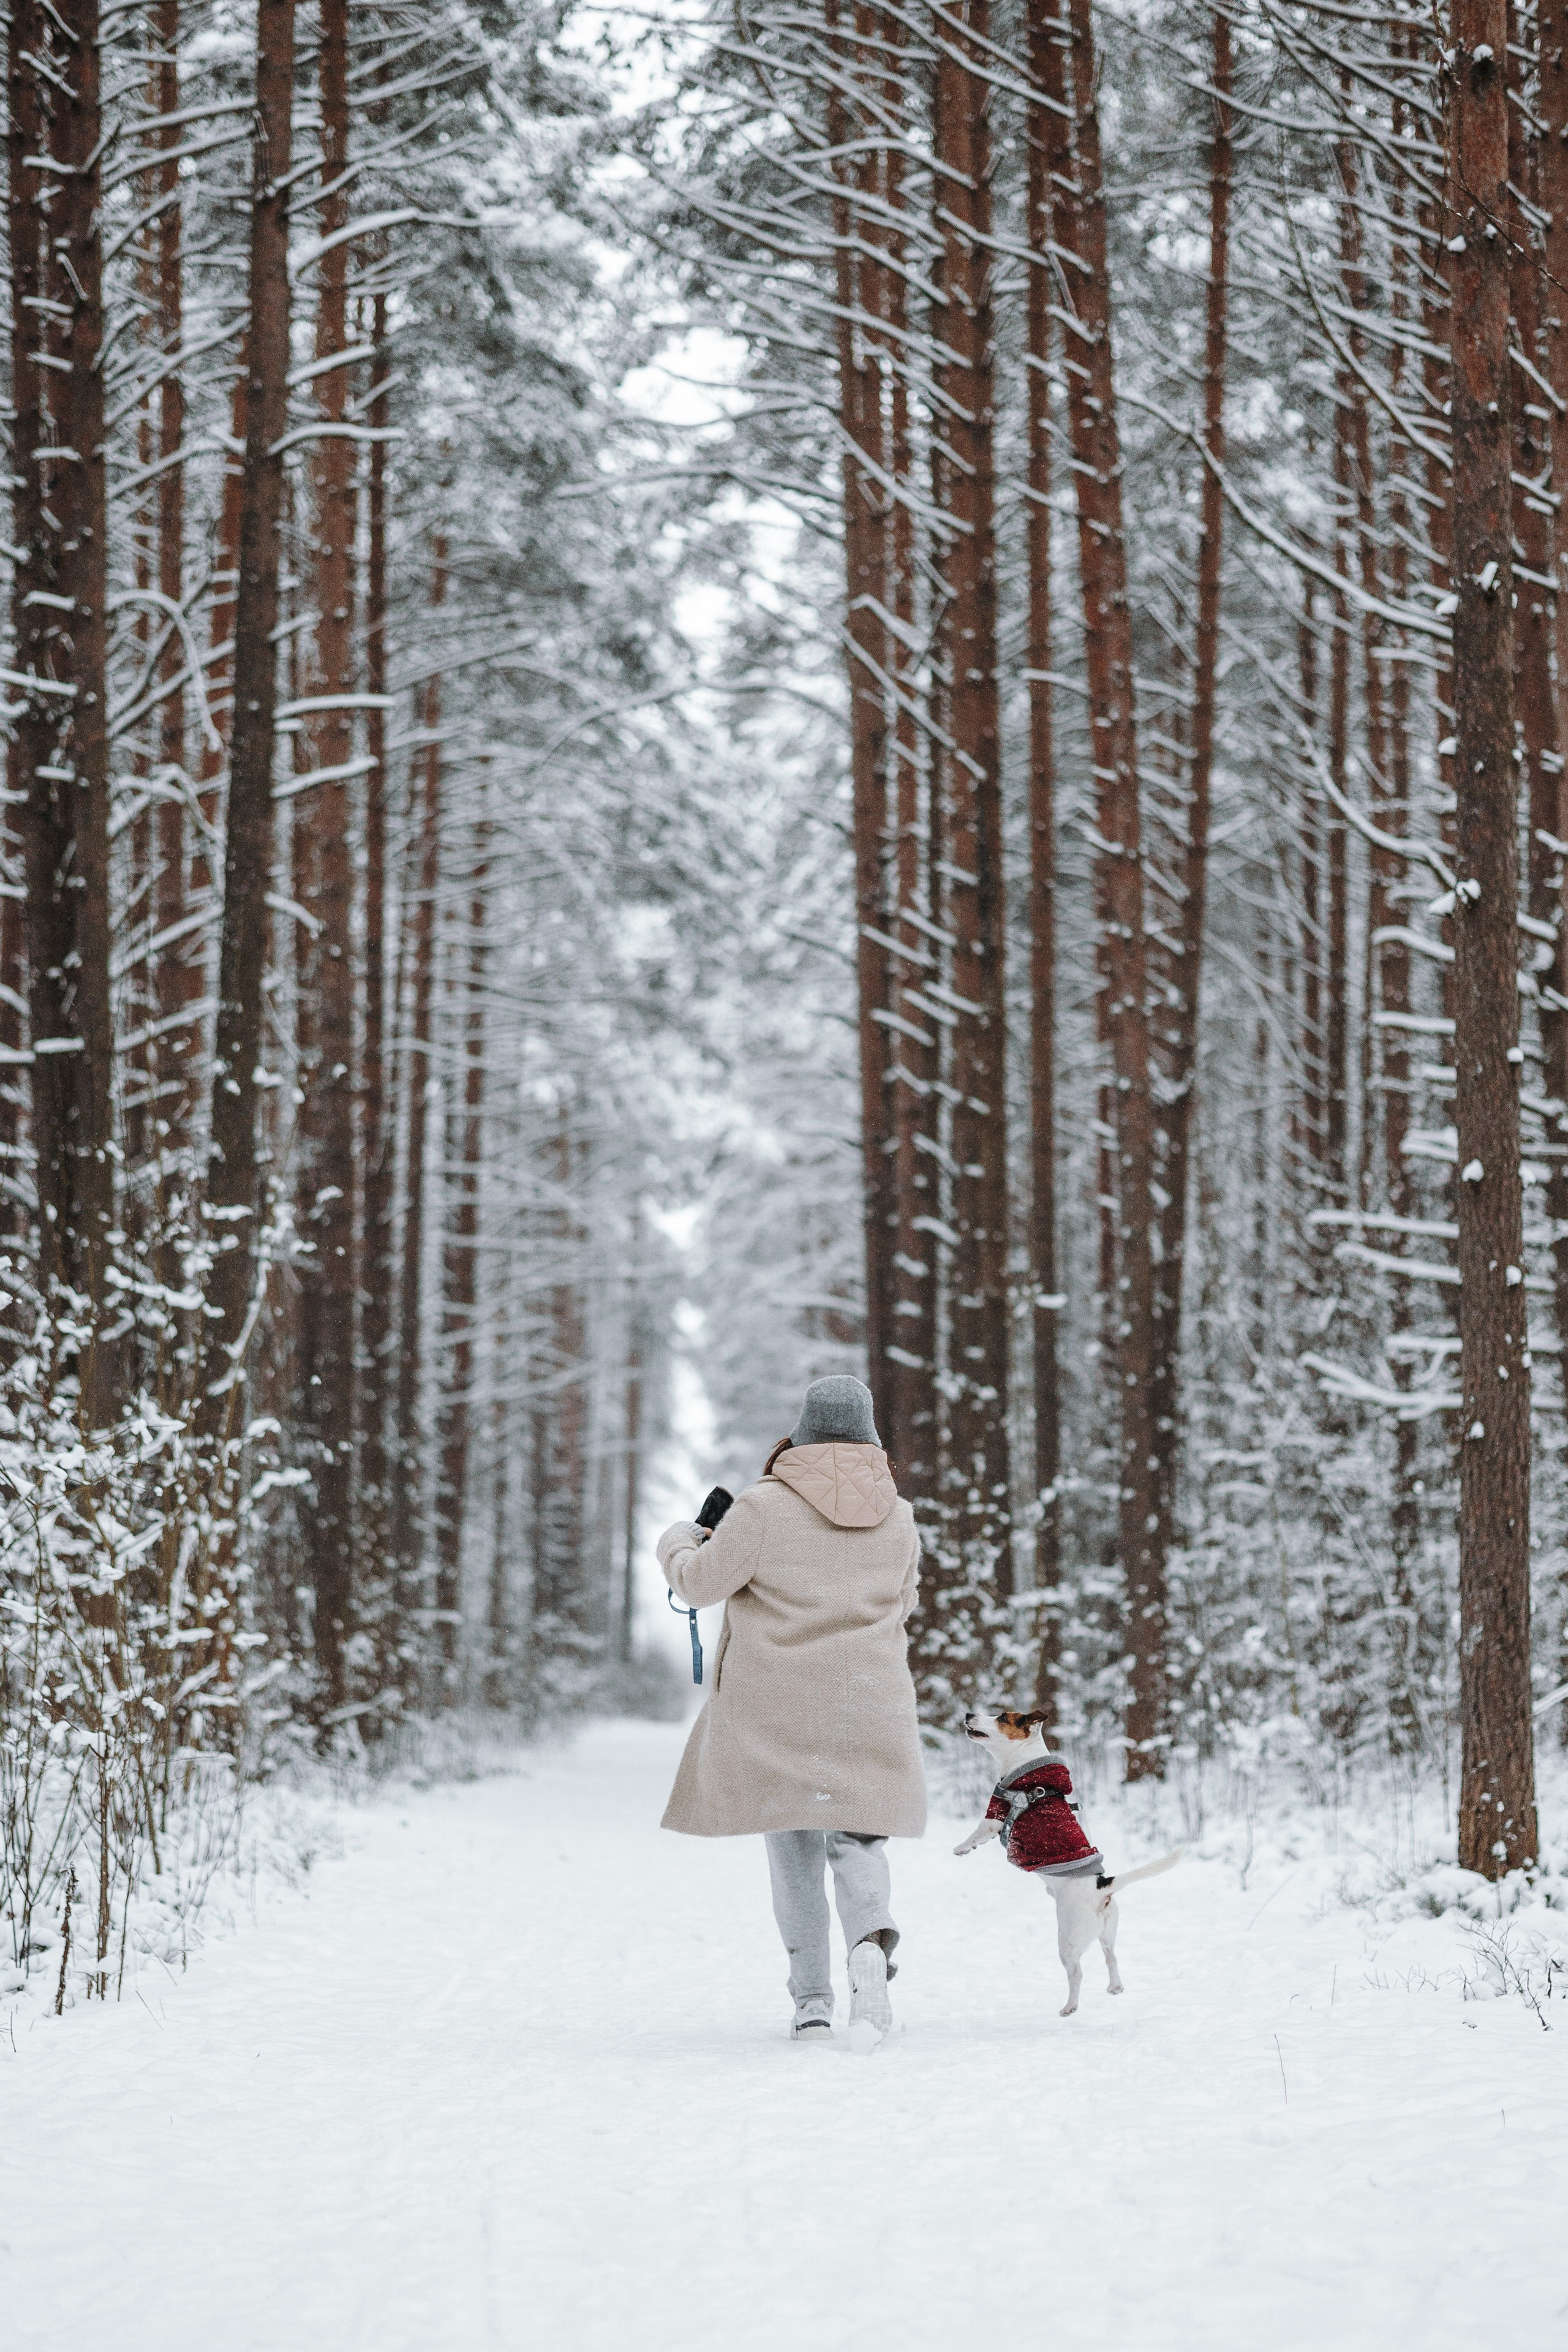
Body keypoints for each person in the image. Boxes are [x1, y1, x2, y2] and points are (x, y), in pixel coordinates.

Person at [657, 1374, 925, 2047]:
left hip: (779, 1704)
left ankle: (811, 2004)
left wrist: (679, 1539)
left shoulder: (761, 1508)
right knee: (859, 1838)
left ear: (803, 1428)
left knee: (794, 1850)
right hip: (869, 1701)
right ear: (867, 1433)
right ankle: (869, 1941)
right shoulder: (899, 1515)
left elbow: (698, 1584)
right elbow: (904, 1603)